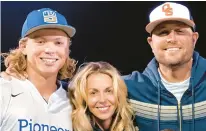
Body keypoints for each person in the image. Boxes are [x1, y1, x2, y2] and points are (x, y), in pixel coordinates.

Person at [124, 2, 206, 131]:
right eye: (163, 32)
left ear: (194, 39)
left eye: (179, 31)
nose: (172, 38)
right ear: (151, 43)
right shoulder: (128, 88)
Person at [0, 8, 76, 131]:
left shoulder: (76, 101)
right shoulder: (3, 91)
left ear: (67, 50)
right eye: (40, 41)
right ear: (23, 47)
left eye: (58, 43)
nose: (50, 50)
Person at [68, 61, 136, 131]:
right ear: (83, 98)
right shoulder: (70, 126)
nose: (102, 100)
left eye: (109, 91)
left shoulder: (134, 123)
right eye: (93, 93)